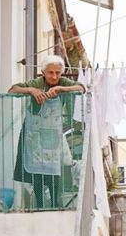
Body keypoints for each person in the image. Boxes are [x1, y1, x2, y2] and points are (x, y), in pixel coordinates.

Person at [9, 55, 84, 209]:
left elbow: (81, 88)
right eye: (50, 72)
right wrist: (32, 90)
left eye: (57, 73)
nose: (54, 76)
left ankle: (55, 204)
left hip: (52, 134)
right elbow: (12, 90)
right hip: (34, 134)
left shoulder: (62, 82)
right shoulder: (38, 83)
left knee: (54, 171)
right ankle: (41, 205)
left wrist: (61, 89)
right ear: (43, 72)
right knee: (36, 173)